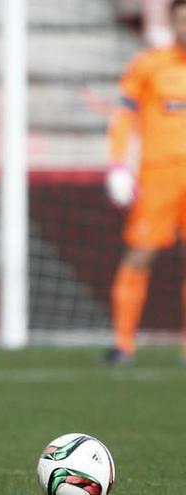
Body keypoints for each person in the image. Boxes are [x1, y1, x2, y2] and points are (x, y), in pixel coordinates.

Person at [104, 0, 186, 365]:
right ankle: (123, 343)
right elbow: (124, 115)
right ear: (172, 23)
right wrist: (119, 165)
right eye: (182, 21)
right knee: (141, 253)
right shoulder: (149, 65)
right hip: (159, 176)